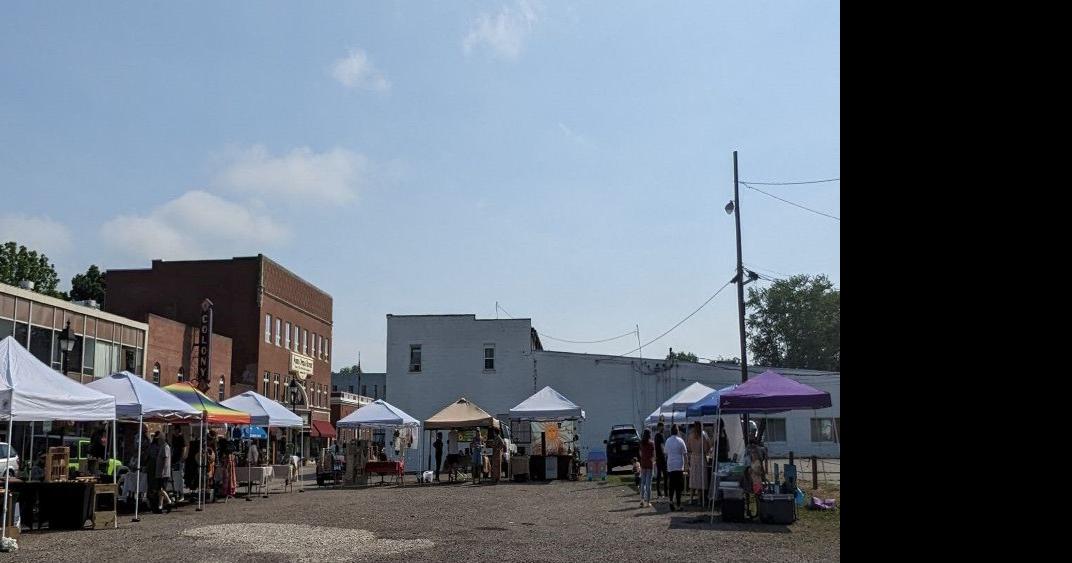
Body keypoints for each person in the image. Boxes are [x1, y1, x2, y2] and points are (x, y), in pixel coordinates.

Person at [664, 424, 688, 511]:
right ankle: (678, 504)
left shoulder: (667, 441)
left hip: (670, 465)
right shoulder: (681, 441)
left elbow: (666, 453)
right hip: (679, 466)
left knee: (671, 485)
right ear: (677, 431)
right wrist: (686, 465)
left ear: (671, 431)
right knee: (678, 486)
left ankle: (671, 501)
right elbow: (685, 454)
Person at [686, 421, 712, 504]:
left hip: (693, 458)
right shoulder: (703, 436)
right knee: (700, 479)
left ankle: (690, 499)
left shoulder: (690, 436)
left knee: (693, 479)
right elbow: (706, 449)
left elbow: (688, 447)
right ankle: (699, 500)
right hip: (701, 458)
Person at [154, 432, 173, 513]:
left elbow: (165, 459)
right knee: (160, 490)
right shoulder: (162, 446)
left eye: (159, 439)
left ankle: (169, 501)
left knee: (161, 489)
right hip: (160, 472)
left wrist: (163, 471)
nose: (157, 440)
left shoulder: (165, 447)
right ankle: (160, 506)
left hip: (163, 473)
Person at [639, 429, 655, 508]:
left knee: (642, 483)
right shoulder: (652, 443)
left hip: (643, 464)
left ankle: (641, 500)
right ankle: (648, 502)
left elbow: (640, 454)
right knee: (648, 484)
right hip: (649, 465)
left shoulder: (641, 443)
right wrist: (653, 461)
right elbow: (653, 455)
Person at [654, 422, 667, 498]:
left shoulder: (655, 436)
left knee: (658, 475)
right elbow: (662, 446)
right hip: (662, 457)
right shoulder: (661, 436)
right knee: (665, 475)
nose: (664, 428)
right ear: (660, 427)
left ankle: (659, 492)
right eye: (663, 427)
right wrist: (665, 454)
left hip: (658, 458)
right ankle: (665, 492)